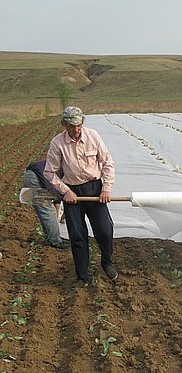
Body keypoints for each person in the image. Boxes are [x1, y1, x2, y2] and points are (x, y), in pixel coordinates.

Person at [44, 106, 117, 286]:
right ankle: (82, 276)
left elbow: (107, 163)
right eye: (71, 126)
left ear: (82, 123)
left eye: (78, 125)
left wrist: (106, 188)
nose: (76, 130)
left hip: (94, 189)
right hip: (72, 193)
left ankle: (106, 261)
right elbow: (49, 172)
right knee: (77, 235)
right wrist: (65, 191)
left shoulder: (93, 136)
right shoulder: (57, 143)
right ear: (65, 125)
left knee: (105, 229)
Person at [23, 160, 69, 249]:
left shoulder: (66, 169)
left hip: (33, 174)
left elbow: (57, 200)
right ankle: (55, 241)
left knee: (47, 210)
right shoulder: (69, 178)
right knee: (47, 209)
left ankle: (54, 237)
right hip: (36, 178)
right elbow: (58, 198)